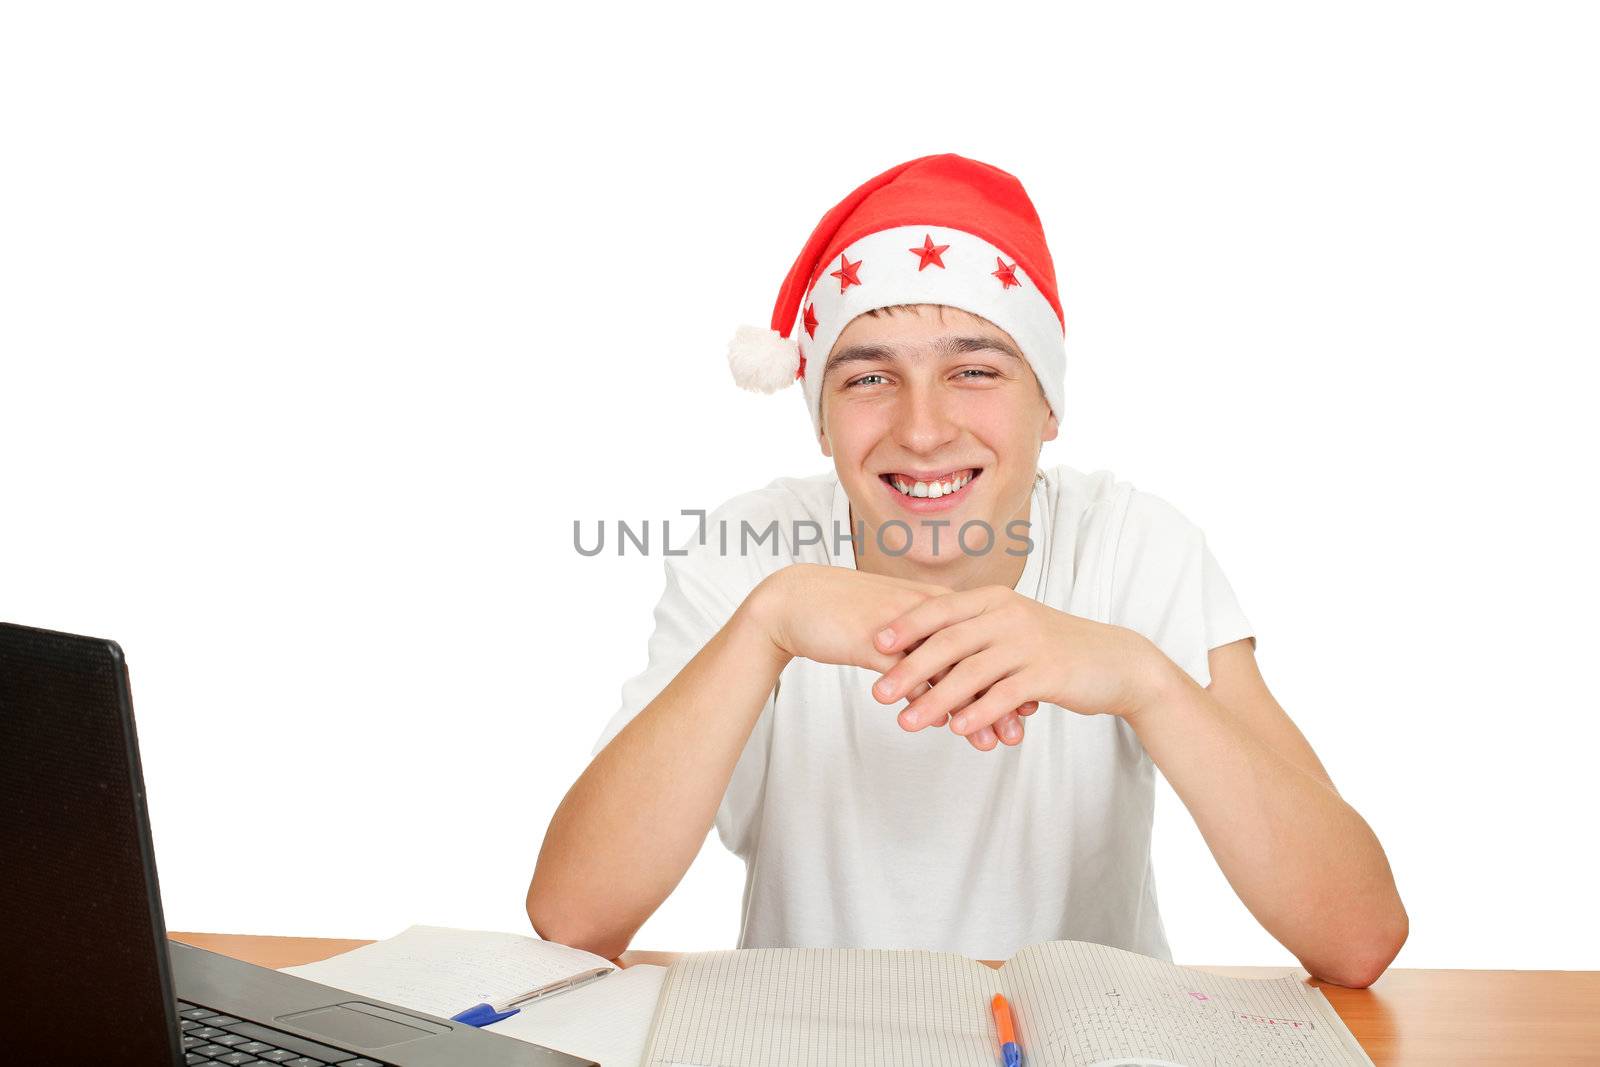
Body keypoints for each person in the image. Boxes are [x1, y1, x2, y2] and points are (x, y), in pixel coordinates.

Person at [526, 153, 1408, 988]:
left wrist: (1145, 678)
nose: (922, 428)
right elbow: (574, 915)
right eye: (869, 379)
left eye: (975, 370)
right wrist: (767, 622)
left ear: (1048, 405)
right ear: (821, 420)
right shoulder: (750, 548)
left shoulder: (1136, 544)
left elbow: (1358, 934)